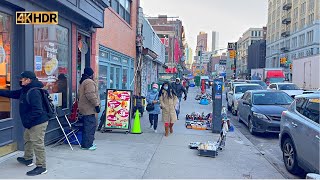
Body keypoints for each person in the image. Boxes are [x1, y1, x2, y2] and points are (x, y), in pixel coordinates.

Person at [0, 71, 49, 176]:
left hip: (38, 122)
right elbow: (12, 94)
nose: (20, 80)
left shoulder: (34, 92)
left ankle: (41, 166)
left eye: (22, 78)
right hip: (31, 122)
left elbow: (38, 110)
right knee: (28, 139)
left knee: (37, 143)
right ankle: (28, 159)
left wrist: (27, 120)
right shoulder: (25, 90)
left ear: (28, 80)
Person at [78, 67, 100, 151]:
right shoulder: (89, 82)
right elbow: (90, 94)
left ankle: (85, 144)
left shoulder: (83, 81)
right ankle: (87, 145)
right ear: (91, 74)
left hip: (84, 108)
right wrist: (96, 105)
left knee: (87, 127)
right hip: (88, 109)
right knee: (90, 127)